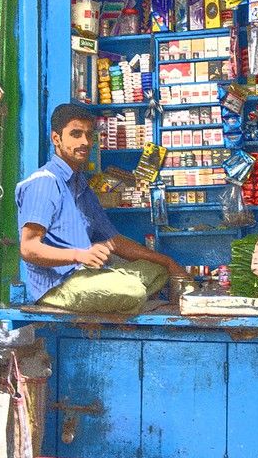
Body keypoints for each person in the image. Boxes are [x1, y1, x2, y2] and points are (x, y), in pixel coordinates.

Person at [15, 103, 189, 314]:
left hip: (86, 272)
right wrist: (79, 255)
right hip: (57, 284)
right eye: (75, 134)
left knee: (158, 271)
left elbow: (113, 240)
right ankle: (119, 292)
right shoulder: (44, 183)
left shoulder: (80, 184)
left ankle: (115, 288)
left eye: (89, 135)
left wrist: (168, 262)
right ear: (56, 139)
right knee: (134, 291)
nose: (85, 142)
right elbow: (28, 248)